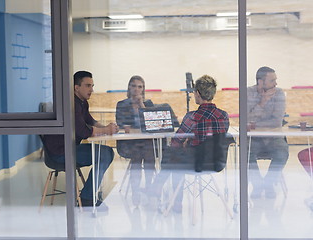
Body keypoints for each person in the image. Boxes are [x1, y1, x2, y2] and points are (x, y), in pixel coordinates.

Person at [151, 75, 230, 212]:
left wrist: (186, 143)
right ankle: (168, 195)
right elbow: (215, 138)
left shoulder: (192, 117)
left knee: (172, 154)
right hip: (217, 162)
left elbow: (176, 141)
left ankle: (169, 196)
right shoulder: (224, 115)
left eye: (194, 92)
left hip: (196, 163)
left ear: (198, 94)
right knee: (178, 156)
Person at [43, 71, 119, 210]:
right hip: (60, 153)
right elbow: (83, 131)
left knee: (105, 153)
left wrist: (107, 127)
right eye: (88, 85)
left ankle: (87, 195)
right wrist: (106, 130)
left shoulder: (82, 102)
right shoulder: (71, 104)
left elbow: (90, 121)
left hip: (68, 148)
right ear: (76, 87)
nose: (92, 90)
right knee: (106, 154)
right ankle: (87, 198)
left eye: (92, 86)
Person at [247, 66, 289, 199]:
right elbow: (246, 119)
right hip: (254, 138)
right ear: (260, 82)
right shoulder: (248, 93)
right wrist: (263, 102)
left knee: (282, 152)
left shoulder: (279, 93)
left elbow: (277, 121)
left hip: (273, 137)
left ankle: (268, 184)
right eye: (272, 81)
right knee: (246, 153)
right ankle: (258, 185)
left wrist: (255, 123)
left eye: (275, 80)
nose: (276, 83)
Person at [115, 75, 156, 206]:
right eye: (134, 86)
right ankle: (135, 191)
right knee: (138, 155)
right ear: (129, 88)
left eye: (140, 87)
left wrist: (141, 105)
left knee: (149, 153)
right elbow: (123, 126)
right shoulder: (122, 104)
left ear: (143, 89)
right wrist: (136, 130)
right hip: (129, 142)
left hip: (146, 142)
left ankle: (149, 188)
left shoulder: (148, 104)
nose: (137, 89)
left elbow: (151, 124)